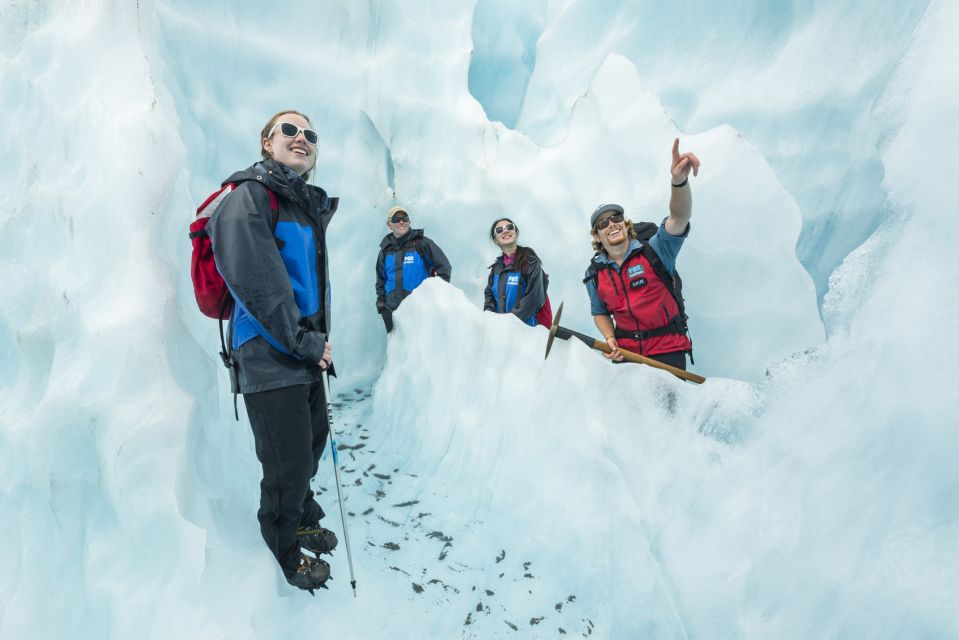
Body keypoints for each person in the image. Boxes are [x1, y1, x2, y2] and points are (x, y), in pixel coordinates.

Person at [207, 110, 339, 593]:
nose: (301, 138)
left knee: (310, 445)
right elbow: (260, 284)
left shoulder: (299, 205)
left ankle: (300, 517)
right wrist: (305, 341)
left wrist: (317, 345)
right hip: (267, 352)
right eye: (289, 130)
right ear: (267, 141)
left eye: (310, 134)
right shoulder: (249, 197)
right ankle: (282, 555)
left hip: (301, 352)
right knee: (287, 465)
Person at [583, 138, 700, 370]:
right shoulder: (594, 273)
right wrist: (610, 338)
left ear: (626, 225)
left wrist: (679, 182)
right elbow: (599, 311)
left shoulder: (656, 250)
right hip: (627, 357)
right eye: (603, 224)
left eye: (616, 218)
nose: (611, 225)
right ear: (597, 236)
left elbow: (679, 218)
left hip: (669, 351)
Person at [375, 206, 452, 332]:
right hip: (391, 311)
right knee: (397, 350)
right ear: (389, 225)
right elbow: (381, 280)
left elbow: (444, 268)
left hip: (420, 311)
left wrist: (436, 297)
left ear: (409, 222)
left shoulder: (422, 244)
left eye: (404, 218)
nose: (401, 222)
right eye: (397, 219)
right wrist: (382, 305)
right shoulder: (385, 252)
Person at [484, 218, 548, 326]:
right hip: (499, 330)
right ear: (495, 240)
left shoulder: (530, 263)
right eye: (499, 230)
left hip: (524, 331)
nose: (505, 231)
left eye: (509, 227)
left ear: (516, 233)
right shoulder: (496, 269)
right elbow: (489, 294)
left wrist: (510, 322)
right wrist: (490, 319)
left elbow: (534, 299)